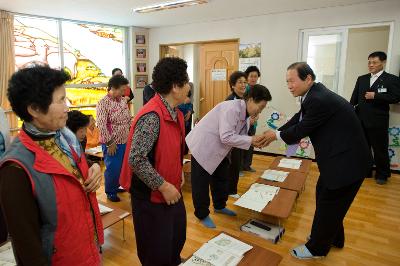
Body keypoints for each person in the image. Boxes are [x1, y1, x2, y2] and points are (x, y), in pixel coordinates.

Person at [263, 62, 372, 259]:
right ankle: (334, 239)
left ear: (308, 79)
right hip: (343, 158)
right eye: (287, 81)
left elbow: (301, 129)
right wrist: (277, 132)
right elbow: (298, 118)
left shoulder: (318, 99)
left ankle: (317, 248)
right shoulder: (313, 95)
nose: (289, 85)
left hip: (346, 163)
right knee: (327, 198)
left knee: (329, 203)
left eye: (292, 81)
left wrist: (275, 136)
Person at [0, 65, 104, 265]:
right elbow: (28, 249)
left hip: (88, 248)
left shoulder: (64, 137)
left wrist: (94, 168)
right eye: (61, 100)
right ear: (34, 109)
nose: (67, 107)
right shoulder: (15, 170)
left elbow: (72, 169)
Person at [119, 57, 189, 266]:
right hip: (151, 197)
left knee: (176, 238)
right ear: (175, 87)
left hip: (170, 190)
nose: (188, 87)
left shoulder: (175, 113)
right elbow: (137, 159)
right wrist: (163, 185)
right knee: (155, 250)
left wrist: (180, 171)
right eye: (186, 82)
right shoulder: (152, 116)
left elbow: (173, 149)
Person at [186, 84, 272, 228]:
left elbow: (240, 136)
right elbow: (226, 137)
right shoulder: (231, 108)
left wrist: (253, 141)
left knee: (221, 177)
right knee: (200, 182)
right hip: (204, 146)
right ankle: (202, 214)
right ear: (250, 99)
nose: (260, 111)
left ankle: (219, 206)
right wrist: (251, 140)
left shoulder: (245, 113)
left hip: (220, 149)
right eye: (261, 107)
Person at [350, 51, 400, 185]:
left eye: (374, 62)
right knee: (363, 148)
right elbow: (354, 99)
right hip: (360, 119)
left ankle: (382, 174)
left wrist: (376, 96)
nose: (371, 65)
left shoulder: (392, 79)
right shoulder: (362, 78)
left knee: (380, 149)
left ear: (383, 63)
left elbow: (396, 97)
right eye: (369, 62)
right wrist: (349, 112)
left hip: (378, 121)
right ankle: (365, 171)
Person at [97, 75, 132, 202]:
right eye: (122, 90)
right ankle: (110, 191)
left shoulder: (122, 100)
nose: (124, 93)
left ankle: (117, 186)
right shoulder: (103, 103)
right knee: (113, 167)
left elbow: (128, 119)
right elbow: (101, 124)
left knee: (123, 166)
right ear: (113, 88)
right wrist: (110, 142)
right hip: (112, 142)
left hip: (125, 139)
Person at [225, 71, 247, 199]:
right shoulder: (230, 100)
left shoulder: (245, 97)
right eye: (240, 82)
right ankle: (230, 191)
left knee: (237, 163)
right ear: (233, 85)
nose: (243, 85)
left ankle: (232, 189)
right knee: (232, 165)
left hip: (240, 137)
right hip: (231, 138)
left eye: (245, 82)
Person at [242, 66, 261, 172]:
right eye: (251, 76)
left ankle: (247, 165)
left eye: (256, 76)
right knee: (242, 144)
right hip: (245, 121)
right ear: (247, 77)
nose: (253, 78)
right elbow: (243, 107)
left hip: (254, 122)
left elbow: (258, 105)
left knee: (251, 143)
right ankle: (239, 168)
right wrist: (249, 119)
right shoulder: (245, 89)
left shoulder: (258, 89)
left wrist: (257, 114)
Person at [178, 86, 194, 154]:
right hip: (179, 117)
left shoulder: (190, 86)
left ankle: (185, 151)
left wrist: (189, 112)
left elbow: (190, 105)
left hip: (186, 119)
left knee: (186, 134)